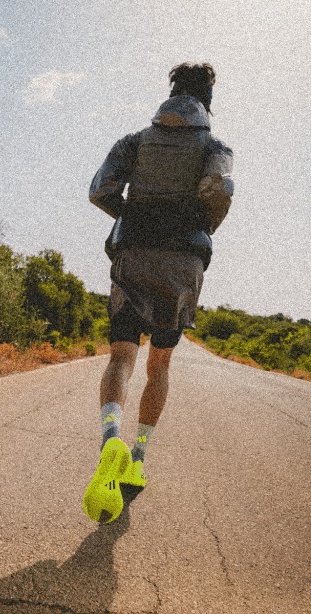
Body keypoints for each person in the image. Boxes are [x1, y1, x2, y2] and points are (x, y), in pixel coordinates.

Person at [84, 63, 234, 523]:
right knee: (159, 364)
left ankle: (111, 439)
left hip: (135, 252)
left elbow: (99, 190)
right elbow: (220, 188)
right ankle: (137, 460)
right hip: (184, 261)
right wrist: (198, 227)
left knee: (121, 357)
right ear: (207, 99)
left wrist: (131, 216)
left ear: (170, 93)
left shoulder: (134, 141)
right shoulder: (216, 147)